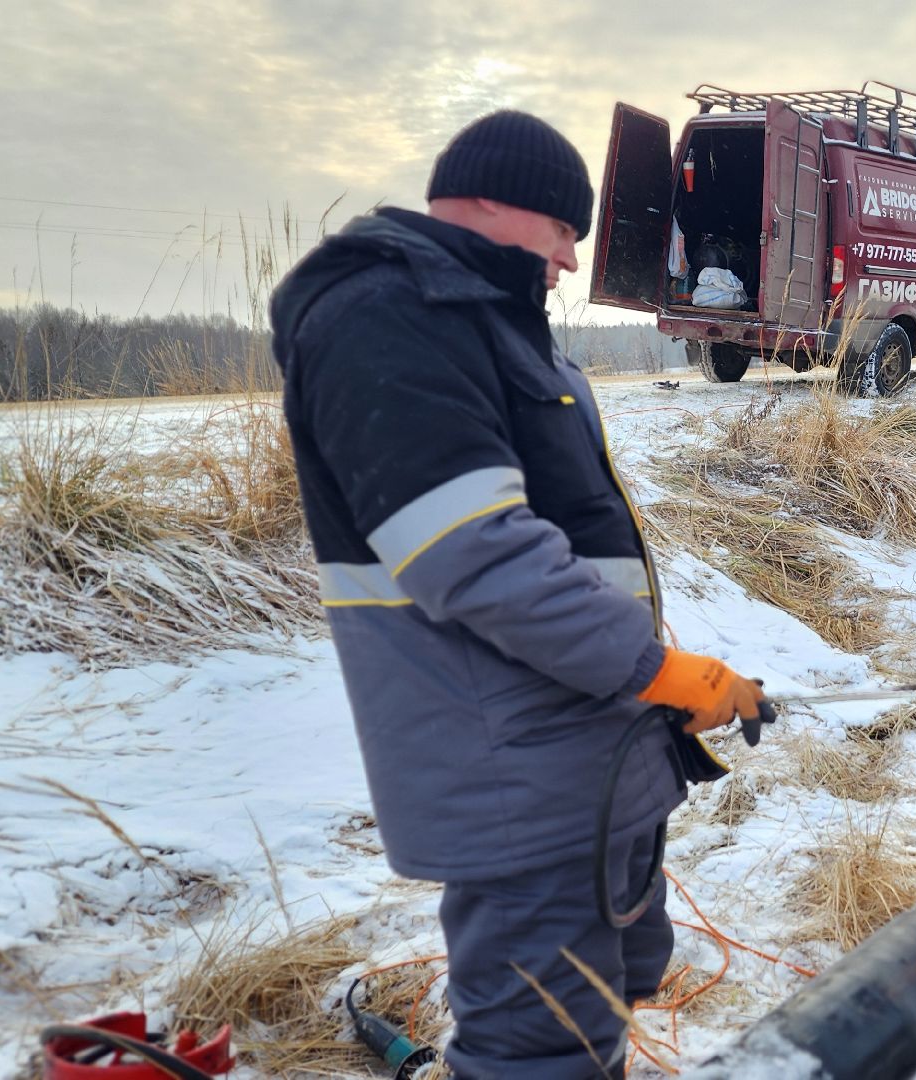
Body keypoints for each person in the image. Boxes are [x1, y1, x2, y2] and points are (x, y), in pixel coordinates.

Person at [270, 110, 767, 1078]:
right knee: (541, 1049)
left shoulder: (492, 329)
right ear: (494, 199)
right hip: (516, 772)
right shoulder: (387, 315)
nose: (571, 260)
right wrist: (657, 670)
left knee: (614, 990)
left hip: (586, 753)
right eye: (563, 230)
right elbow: (474, 554)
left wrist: (653, 688)